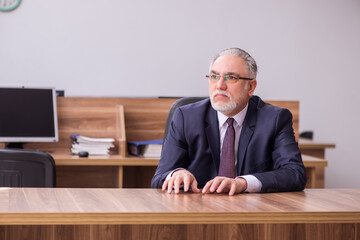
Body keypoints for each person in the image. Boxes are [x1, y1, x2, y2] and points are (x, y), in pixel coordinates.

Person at [151, 48, 306, 195]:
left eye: (231, 78)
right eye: (214, 77)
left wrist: (243, 183)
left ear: (251, 87)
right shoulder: (186, 117)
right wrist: (176, 174)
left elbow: (295, 174)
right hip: (197, 210)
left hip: (251, 212)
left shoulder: (275, 119)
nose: (220, 85)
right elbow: (159, 177)